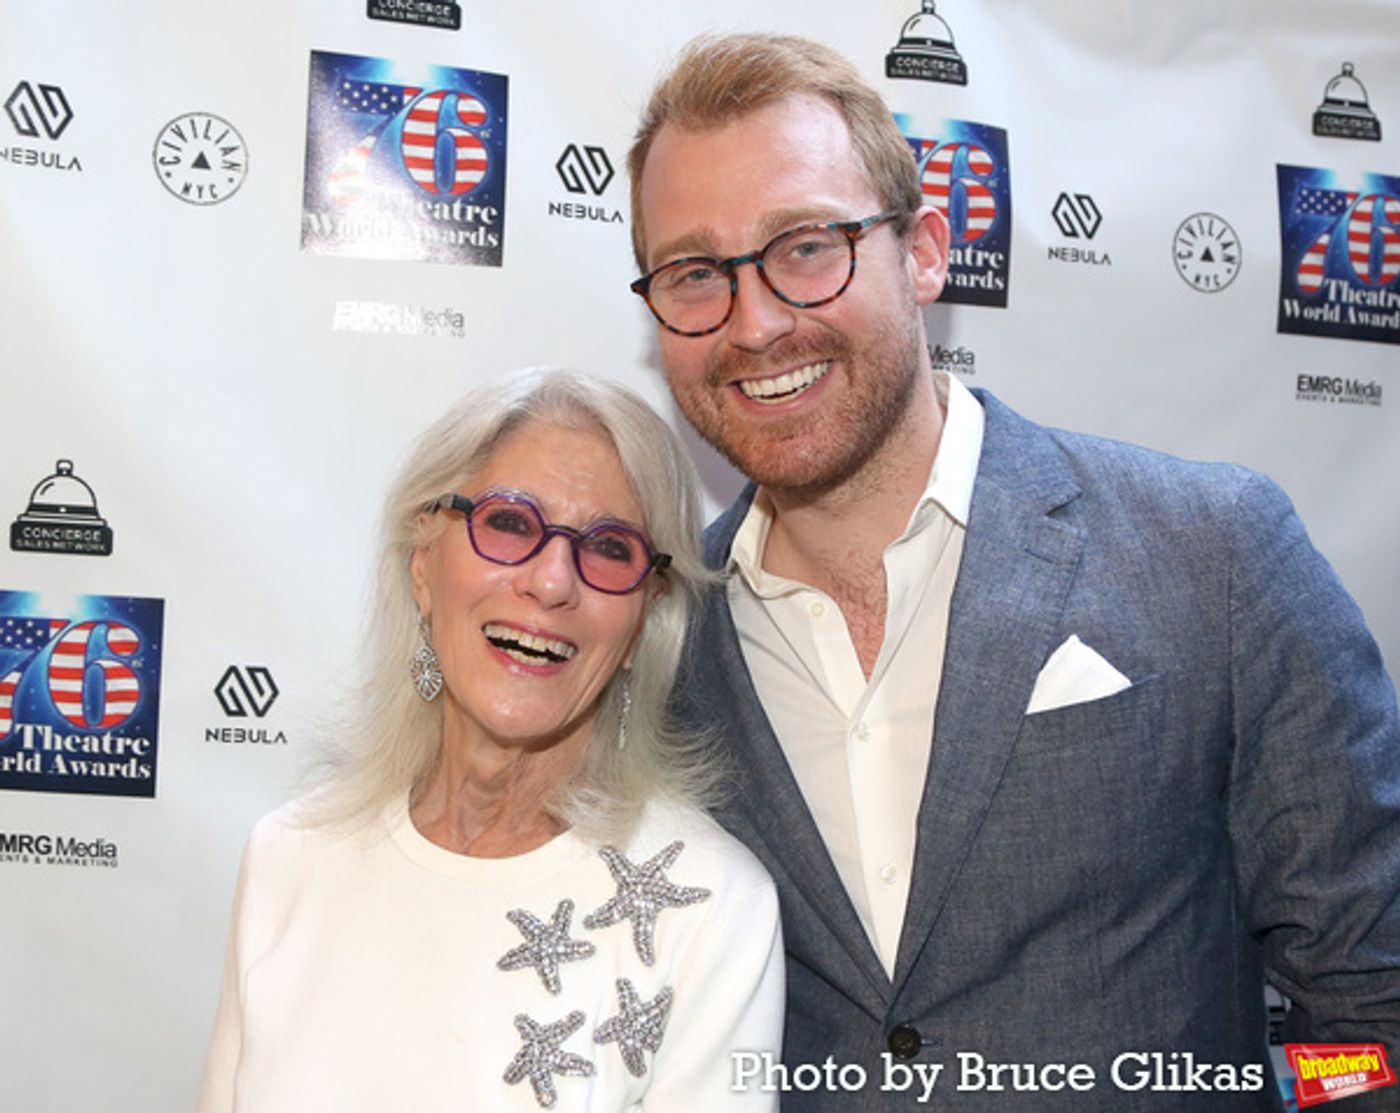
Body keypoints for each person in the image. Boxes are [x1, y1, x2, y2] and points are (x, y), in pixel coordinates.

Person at [626, 32, 1400, 1111]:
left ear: (925, 254)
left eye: (805, 246)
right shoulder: (655, 647)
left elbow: (1369, 1022)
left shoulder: (1213, 555)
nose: (755, 322)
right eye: (694, 272)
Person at [196, 370, 784, 1112]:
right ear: (422, 566)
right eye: (509, 523)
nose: (550, 582)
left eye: (608, 547)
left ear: (643, 618)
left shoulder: (711, 908)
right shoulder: (289, 852)